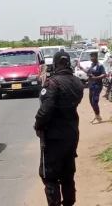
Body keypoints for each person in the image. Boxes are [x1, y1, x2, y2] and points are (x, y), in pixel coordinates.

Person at [34, 51, 84, 206]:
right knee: (67, 173)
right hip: (72, 134)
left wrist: (38, 125)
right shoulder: (77, 82)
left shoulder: (52, 83)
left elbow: (46, 110)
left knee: (49, 176)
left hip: (54, 136)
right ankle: (69, 202)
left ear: (55, 64)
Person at [78, 51, 106, 123]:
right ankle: (97, 115)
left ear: (96, 57)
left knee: (95, 101)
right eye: (91, 57)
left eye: (93, 56)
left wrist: (95, 78)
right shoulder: (92, 65)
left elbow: (104, 74)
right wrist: (81, 67)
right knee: (91, 101)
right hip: (91, 85)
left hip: (97, 85)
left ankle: (98, 117)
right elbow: (88, 72)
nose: (91, 58)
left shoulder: (99, 65)